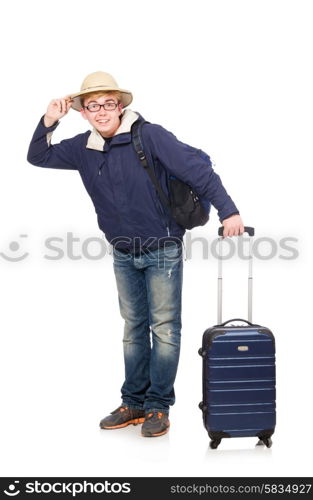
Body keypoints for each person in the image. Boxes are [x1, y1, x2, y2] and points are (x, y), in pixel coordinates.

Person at [27, 71, 244, 438]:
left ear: (120, 105)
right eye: (92, 105)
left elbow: (199, 172)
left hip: (163, 249)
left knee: (165, 331)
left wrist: (230, 211)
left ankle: (158, 407)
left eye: (108, 103)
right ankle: (134, 403)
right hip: (123, 253)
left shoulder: (150, 136)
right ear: (83, 112)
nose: (101, 111)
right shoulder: (83, 147)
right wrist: (49, 120)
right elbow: (38, 156)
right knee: (132, 331)